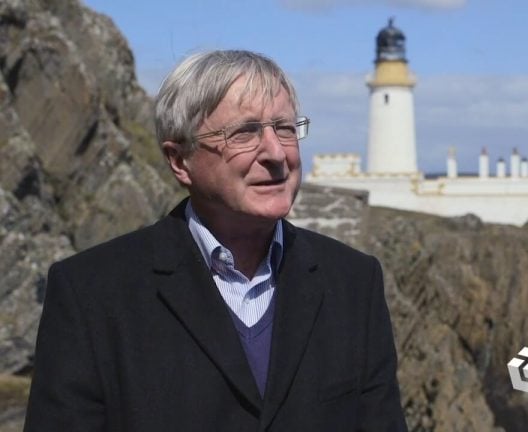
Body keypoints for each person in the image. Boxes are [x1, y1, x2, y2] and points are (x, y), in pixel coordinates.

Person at [25, 50, 407, 431]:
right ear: (180, 160)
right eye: (245, 132)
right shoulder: (91, 293)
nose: (276, 153)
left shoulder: (354, 282)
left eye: (285, 128)